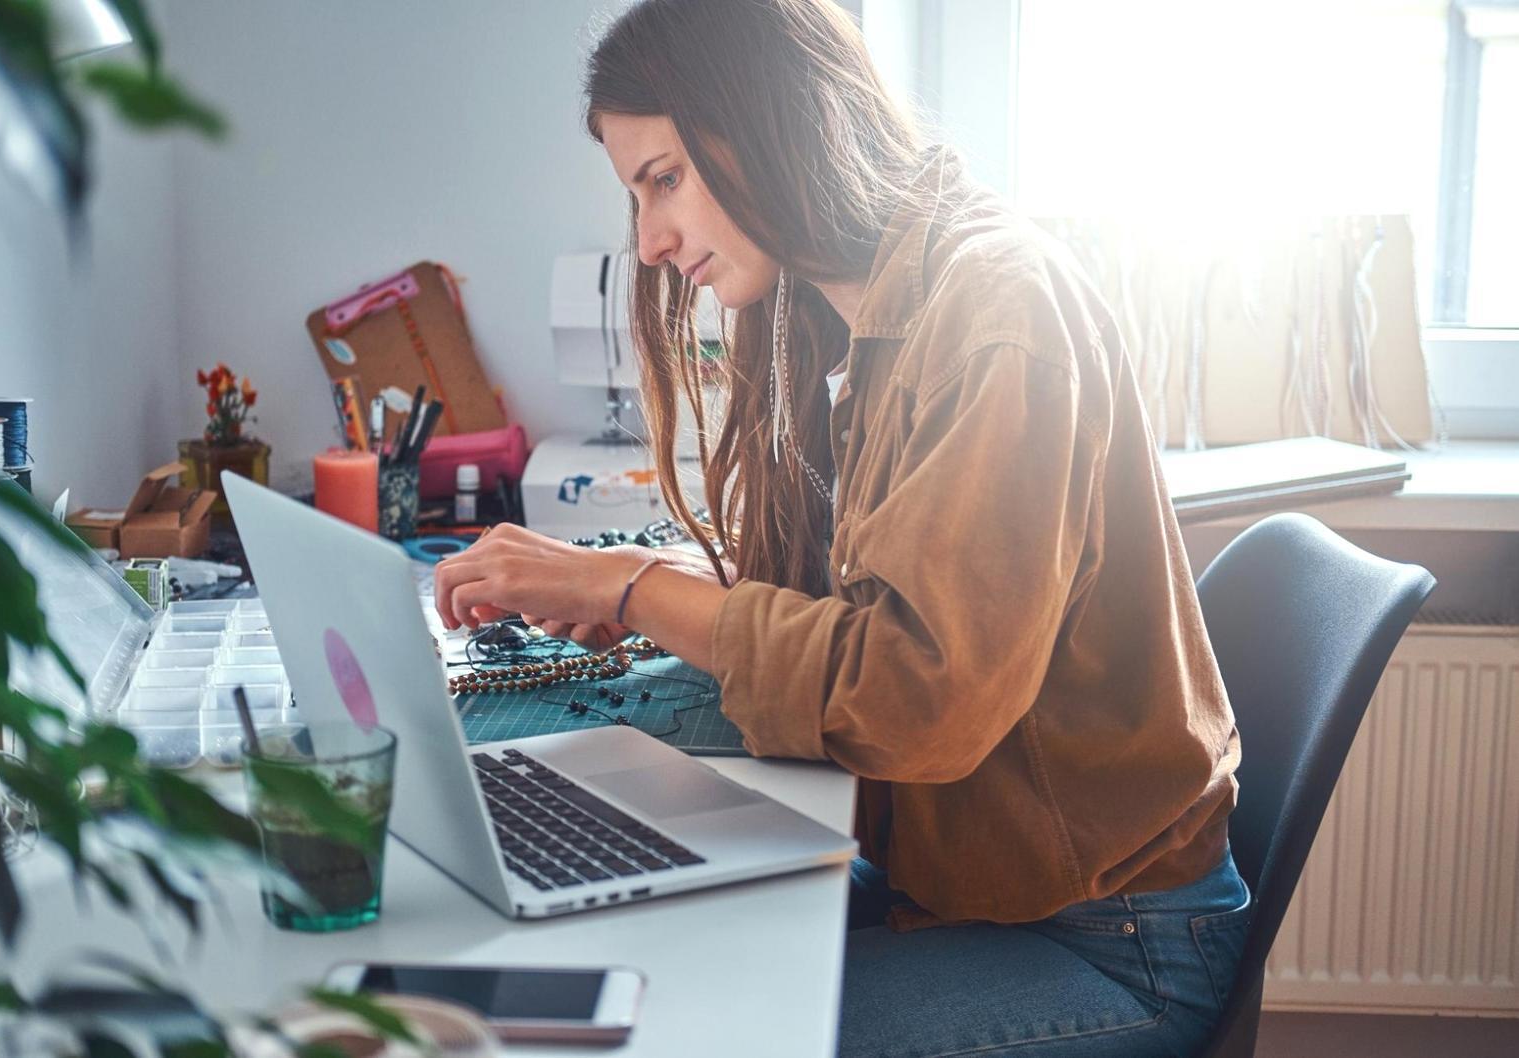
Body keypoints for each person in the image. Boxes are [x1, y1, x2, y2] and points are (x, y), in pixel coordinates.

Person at [433, 1, 1248, 1054]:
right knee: (618, 967)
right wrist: (652, 593)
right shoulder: (832, 312)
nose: (649, 241)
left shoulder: (998, 315)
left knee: (686, 1035)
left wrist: (632, 587)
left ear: (771, 119)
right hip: (955, 885)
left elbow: (918, 696)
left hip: (1108, 938)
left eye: (664, 179)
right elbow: (844, 587)